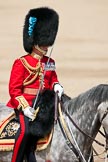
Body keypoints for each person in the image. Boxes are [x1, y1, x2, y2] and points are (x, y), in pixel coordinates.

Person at [6, 7, 64, 162]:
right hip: (26, 105)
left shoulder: (49, 62)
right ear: (35, 41)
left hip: (44, 104)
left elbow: (52, 80)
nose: (47, 47)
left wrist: (56, 85)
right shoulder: (21, 63)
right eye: (44, 43)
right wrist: (24, 107)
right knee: (25, 132)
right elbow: (14, 90)